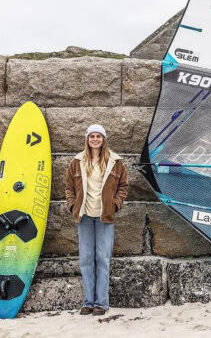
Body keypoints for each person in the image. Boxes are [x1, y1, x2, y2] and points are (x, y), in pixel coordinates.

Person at [65, 124, 128, 316]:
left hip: (104, 216)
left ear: (103, 139)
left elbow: (123, 186)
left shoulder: (115, 162)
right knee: (86, 260)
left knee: (102, 259)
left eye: (98, 136)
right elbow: (69, 186)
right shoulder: (77, 161)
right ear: (87, 139)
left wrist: (115, 204)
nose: (95, 139)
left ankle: (101, 303)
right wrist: (72, 205)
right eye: (91, 136)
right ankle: (88, 302)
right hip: (84, 216)